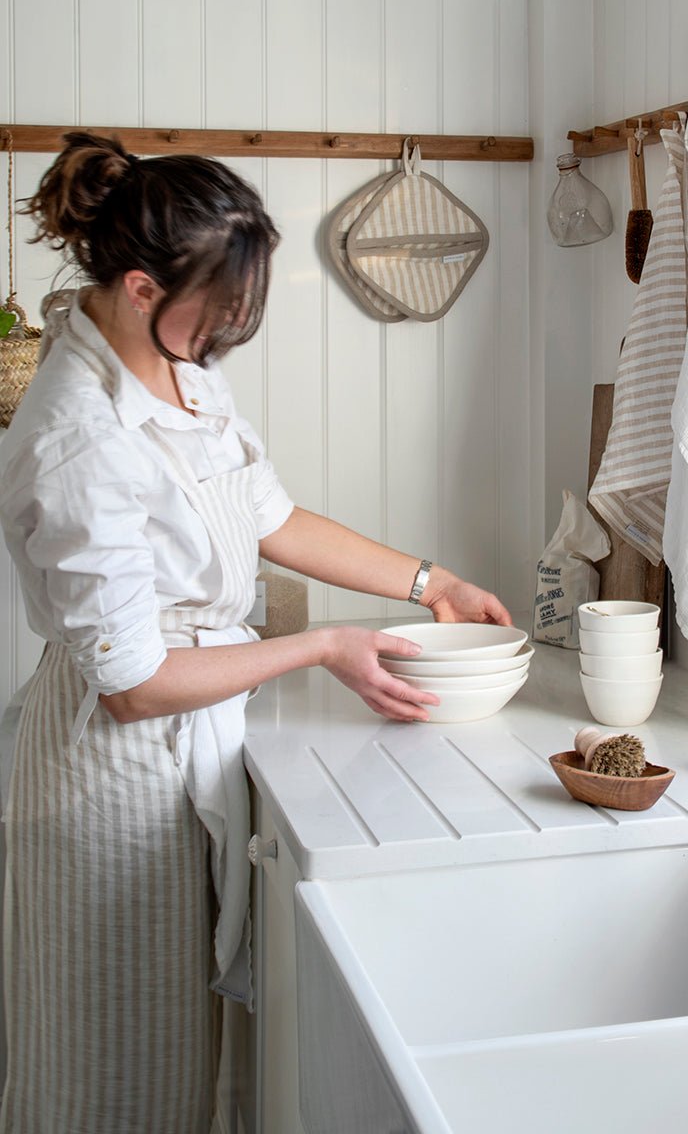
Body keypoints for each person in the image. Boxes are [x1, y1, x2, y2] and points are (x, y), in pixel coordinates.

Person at [0, 132, 512, 1134]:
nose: (232, 331)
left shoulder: (175, 366)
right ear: (142, 287)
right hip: (111, 781)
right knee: (110, 1087)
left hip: (182, 753)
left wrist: (430, 581)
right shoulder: (79, 431)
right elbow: (133, 681)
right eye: (220, 310)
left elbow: (270, 517)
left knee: (178, 1076)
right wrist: (324, 647)